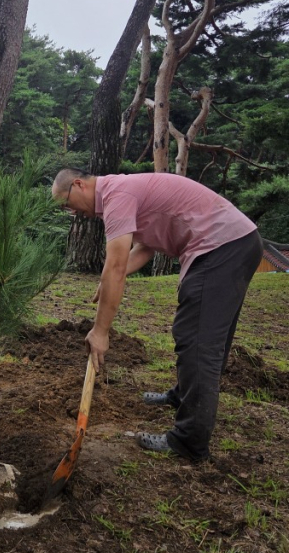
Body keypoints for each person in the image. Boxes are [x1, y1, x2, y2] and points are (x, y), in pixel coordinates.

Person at [51, 168, 263, 462]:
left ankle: (189, 442)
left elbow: (115, 267)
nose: (71, 212)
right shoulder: (120, 190)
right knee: (206, 334)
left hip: (221, 246)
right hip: (237, 242)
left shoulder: (116, 196)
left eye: (67, 203)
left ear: (78, 185)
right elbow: (145, 247)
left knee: (197, 339)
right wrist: (108, 278)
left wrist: (100, 332)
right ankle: (183, 396)